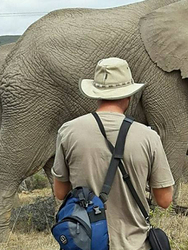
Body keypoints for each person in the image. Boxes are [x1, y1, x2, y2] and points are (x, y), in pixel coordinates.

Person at [52, 57, 175, 250]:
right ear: (129, 95)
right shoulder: (148, 137)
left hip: (85, 244)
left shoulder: (68, 131)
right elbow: (165, 200)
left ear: (96, 93)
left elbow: (60, 193)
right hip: (135, 244)